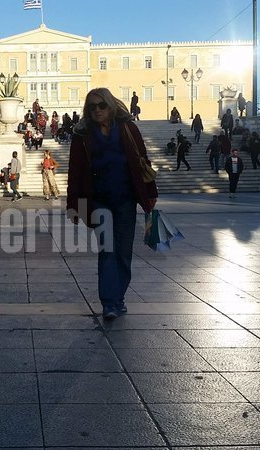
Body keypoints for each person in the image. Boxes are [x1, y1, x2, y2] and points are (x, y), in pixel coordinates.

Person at [66, 87, 157, 320]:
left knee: (124, 251)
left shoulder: (128, 129)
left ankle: (118, 298)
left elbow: (142, 162)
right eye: (92, 106)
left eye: (101, 105)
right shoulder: (82, 135)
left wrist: (150, 193)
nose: (97, 110)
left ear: (110, 105)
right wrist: (73, 204)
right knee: (108, 250)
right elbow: (74, 172)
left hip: (126, 199)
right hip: (99, 200)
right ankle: (109, 303)